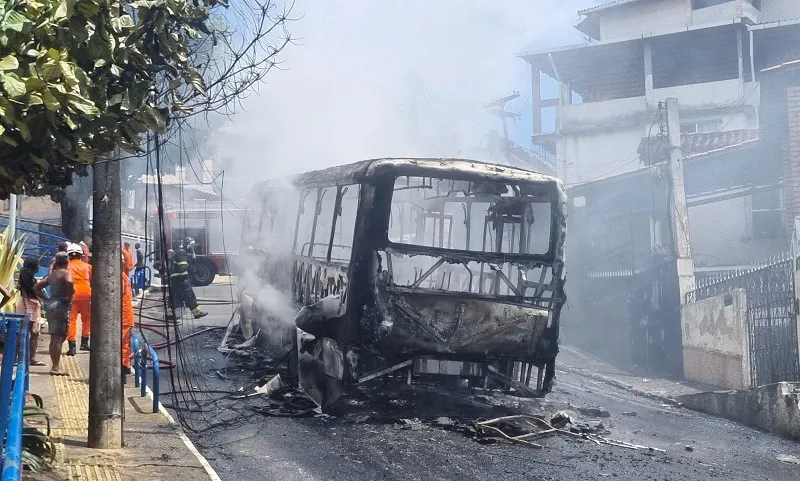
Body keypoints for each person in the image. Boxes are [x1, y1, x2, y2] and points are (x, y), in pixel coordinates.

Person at [35, 252, 73, 376]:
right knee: (60, 336)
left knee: (54, 337)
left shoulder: (52, 275)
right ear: (67, 261)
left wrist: (46, 298)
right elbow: (70, 283)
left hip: (51, 304)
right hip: (61, 305)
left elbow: (37, 287)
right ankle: (55, 367)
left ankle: (55, 365)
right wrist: (69, 295)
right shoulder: (66, 273)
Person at [167, 238, 207, 320]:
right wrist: (190, 269)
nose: (192, 248)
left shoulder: (177, 252)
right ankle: (197, 313)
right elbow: (182, 267)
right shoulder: (182, 253)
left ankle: (171, 315)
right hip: (182, 278)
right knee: (189, 296)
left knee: (175, 296)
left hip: (174, 279)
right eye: (192, 245)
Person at [16, 258, 45, 366]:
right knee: (31, 333)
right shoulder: (27, 279)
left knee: (31, 333)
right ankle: (27, 358)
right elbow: (24, 295)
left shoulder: (28, 278)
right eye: (38, 265)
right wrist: (28, 308)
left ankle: (26, 358)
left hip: (30, 306)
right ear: (34, 267)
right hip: (28, 306)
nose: (39, 267)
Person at [66, 243, 92, 355]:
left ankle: (72, 347)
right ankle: (84, 343)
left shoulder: (66, 266)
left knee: (72, 320)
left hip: (71, 295)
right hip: (86, 294)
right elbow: (92, 280)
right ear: (81, 255)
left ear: (69, 255)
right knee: (86, 319)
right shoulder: (88, 267)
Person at [120, 254, 134, 380]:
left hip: (123, 316)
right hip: (126, 316)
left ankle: (122, 371)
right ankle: (125, 368)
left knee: (122, 345)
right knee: (125, 345)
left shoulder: (119, 278)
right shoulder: (124, 277)